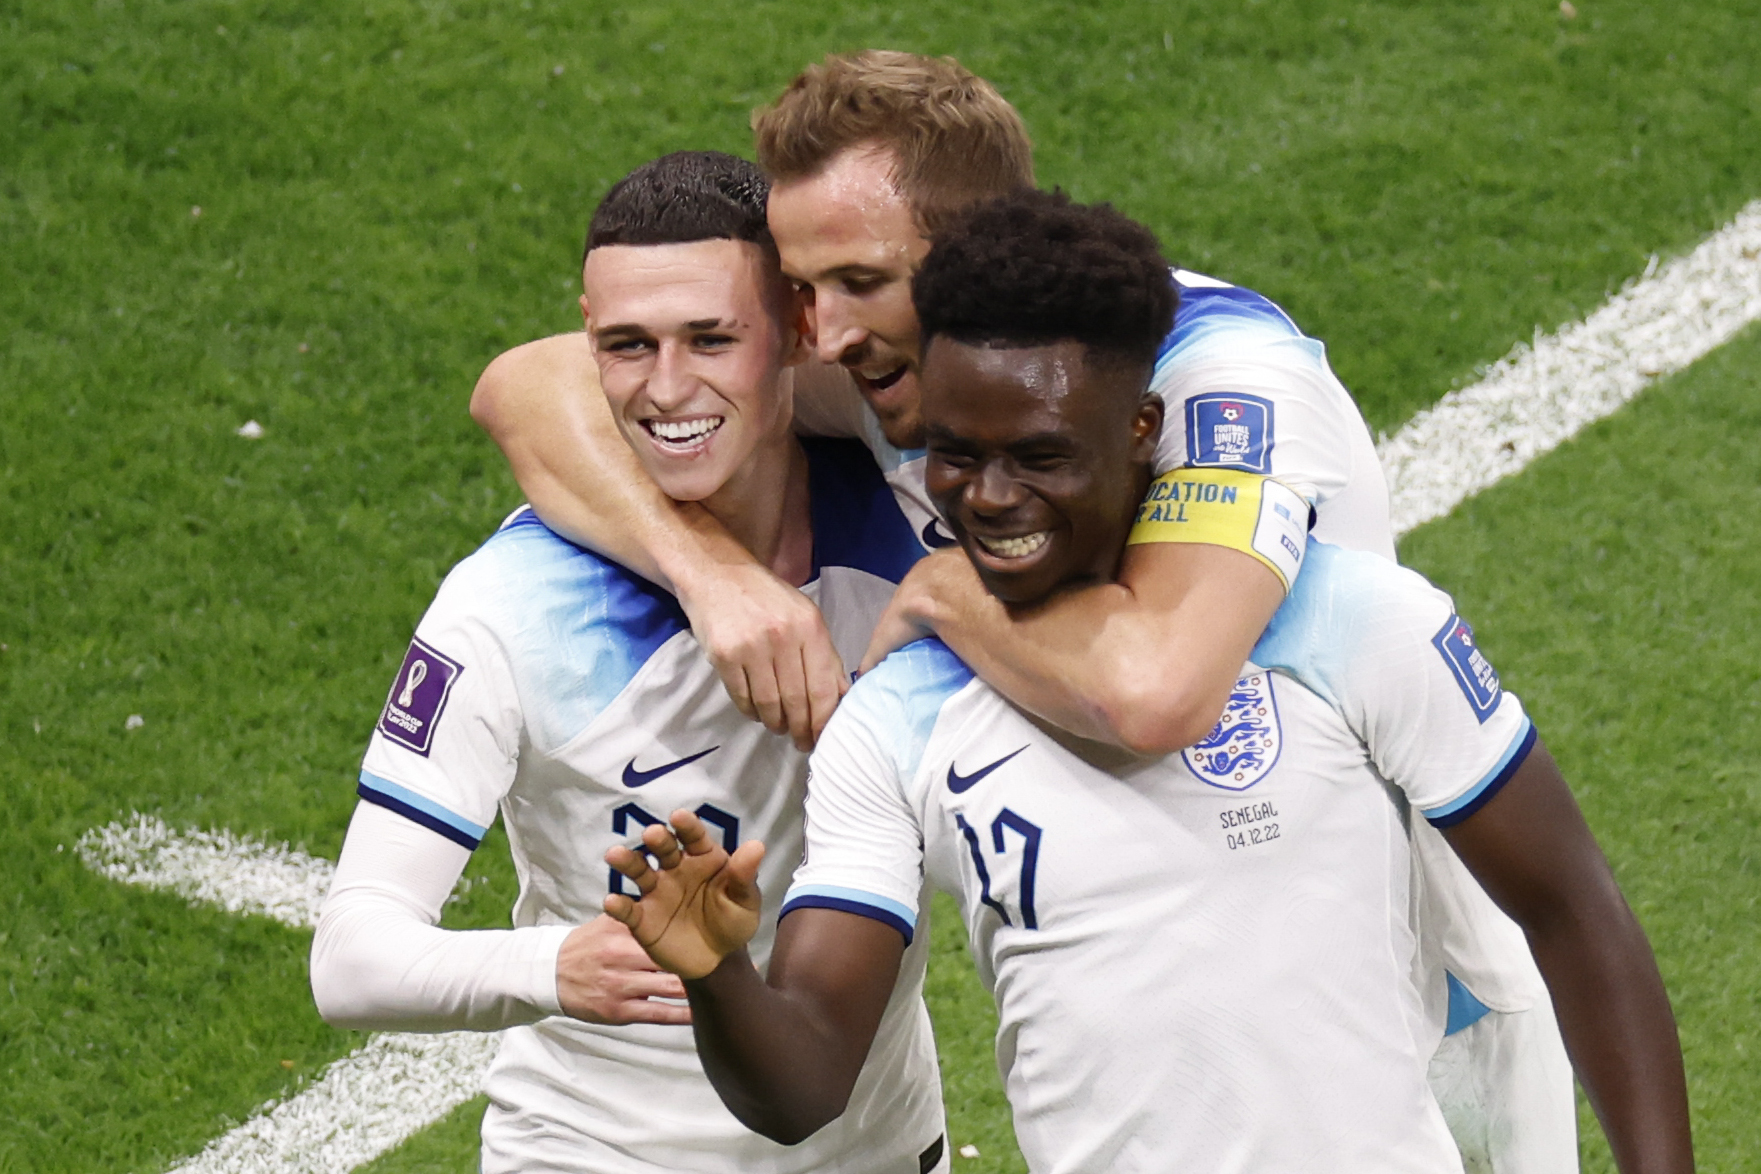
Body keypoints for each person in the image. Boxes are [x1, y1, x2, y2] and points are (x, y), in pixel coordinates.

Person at [470, 51, 1573, 1169]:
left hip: (1381, 1019)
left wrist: (947, 590)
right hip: (1118, 1001)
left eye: (860, 280)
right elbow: (530, 384)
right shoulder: (901, 358)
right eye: (803, 289)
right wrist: (714, 575)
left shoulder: (1215, 373)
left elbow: (1155, 688)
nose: (824, 334)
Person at [603, 190, 1695, 1174]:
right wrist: (718, 974)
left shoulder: (1348, 623)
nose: (987, 498)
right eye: (955, 453)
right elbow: (804, 1086)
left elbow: (1574, 911)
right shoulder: (895, 717)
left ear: (1140, 433)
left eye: (1039, 456)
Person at [309, 152, 947, 1174]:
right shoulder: (510, 609)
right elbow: (352, 954)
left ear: (793, 328)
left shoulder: (917, 509)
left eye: (710, 338)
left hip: (876, 1145)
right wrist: (559, 963)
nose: (666, 389)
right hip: (598, 1151)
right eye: (626, 345)